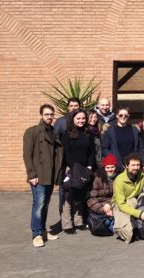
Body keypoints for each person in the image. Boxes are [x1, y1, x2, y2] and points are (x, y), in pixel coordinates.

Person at [24, 104, 64, 247]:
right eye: (46, 114)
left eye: (51, 114)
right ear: (41, 115)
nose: (49, 117)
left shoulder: (53, 132)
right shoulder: (32, 131)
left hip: (50, 174)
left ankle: (43, 231)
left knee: (45, 204)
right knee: (39, 205)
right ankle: (36, 234)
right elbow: (27, 155)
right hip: (39, 175)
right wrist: (31, 174)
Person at [60, 109, 95, 233]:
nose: (81, 121)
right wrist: (74, 168)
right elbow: (66, 153)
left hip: (85, 169)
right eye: (78, 118)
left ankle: (78, 221)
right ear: (73, 119)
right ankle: (67, 224)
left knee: (80, 195)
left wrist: (90, 165)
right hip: (71, 169)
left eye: (83, 118)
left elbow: (91, 152)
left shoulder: (88, 132)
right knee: (68, 196)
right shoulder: (67, 134)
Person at [87, 153, 118, 220]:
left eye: (112, 167)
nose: (110, 169)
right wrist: (103, 209)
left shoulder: (119, 177)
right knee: (90, 202)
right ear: (104, 168)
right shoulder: (98, 178)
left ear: (116, 167)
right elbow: (93, 196)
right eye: (107, 167)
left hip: (113, 201)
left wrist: (109, 204)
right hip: (100, 201)